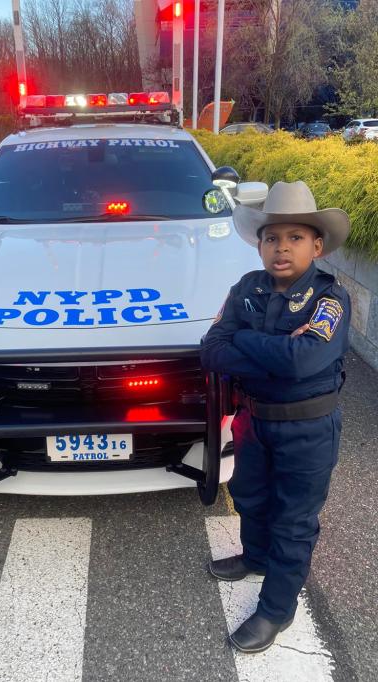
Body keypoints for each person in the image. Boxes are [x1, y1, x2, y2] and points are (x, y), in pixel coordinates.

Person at [201, 180, 352, 653]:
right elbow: (211, 350)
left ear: (317, 246)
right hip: (254, 420)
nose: (281, 247)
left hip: (308, 429)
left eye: (295, 237)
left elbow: (302, 362)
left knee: (293, 521)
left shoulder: (330, 300)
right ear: (260, 245)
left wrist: (245, 341)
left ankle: (275, 610)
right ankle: (256, 557)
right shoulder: (246, 288)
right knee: (250, 496)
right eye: (271, 238)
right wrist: (274, 348)